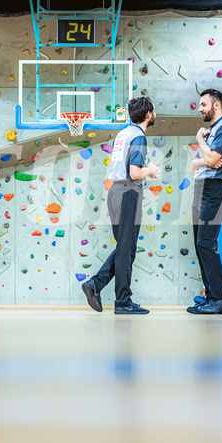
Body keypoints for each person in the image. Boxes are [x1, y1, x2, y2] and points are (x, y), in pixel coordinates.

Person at [81, 97, 160, 315]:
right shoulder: (139, 137)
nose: (155, 113)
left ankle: (96, 285)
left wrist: (144, 172)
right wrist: (150, 170)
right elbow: (135, 173)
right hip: (128, 193)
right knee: (126, 249)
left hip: (115, 192)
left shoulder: (123, 133)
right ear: (148, 115)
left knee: (125, 248)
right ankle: (123, 301)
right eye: (154, 111)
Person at [187, 89, 222, 315]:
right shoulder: (214, 130)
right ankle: (211, 297)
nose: (200, 109)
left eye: (203, 104)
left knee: (206, 244)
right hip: (202, 188)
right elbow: (197, 163)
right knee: (200, 246)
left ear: (216, 105)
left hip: (215, 189)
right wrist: (203, 161)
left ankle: (221, 300)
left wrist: (201, 142)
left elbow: (210, 159)